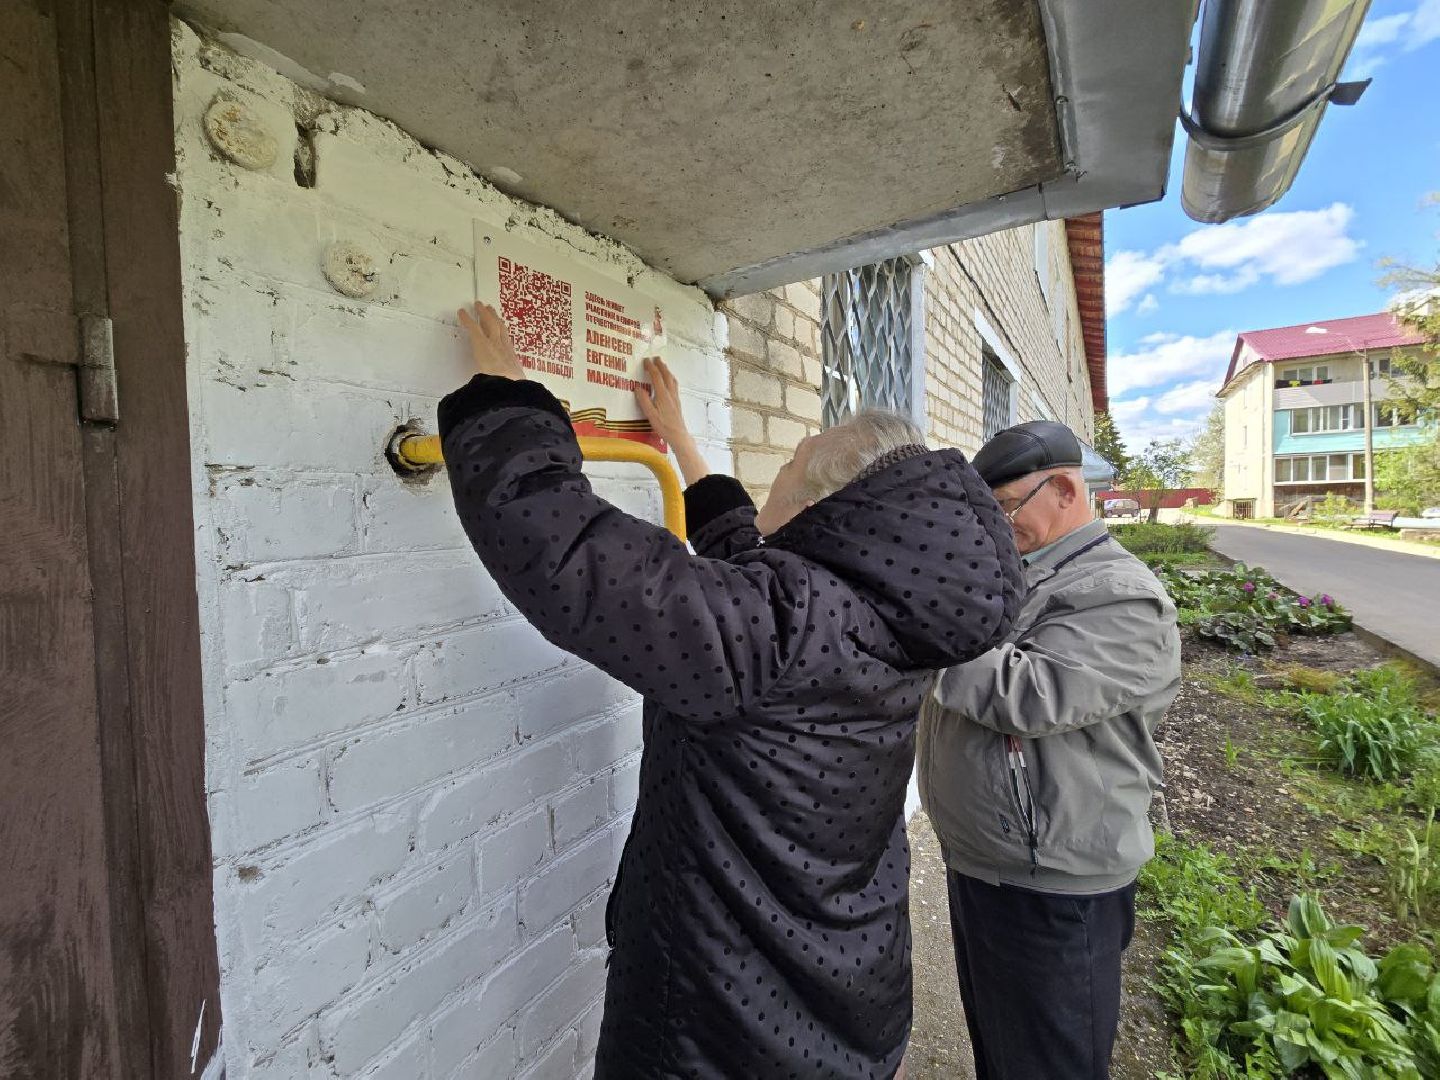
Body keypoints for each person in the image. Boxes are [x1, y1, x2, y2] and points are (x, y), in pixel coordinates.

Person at [439, 302, 1025, 1079]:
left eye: (788, 466)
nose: (774, 476)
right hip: (847, 991)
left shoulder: (779, 629)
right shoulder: (877, 613)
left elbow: (565, 550)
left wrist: (504, 395)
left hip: (722, 1033)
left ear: (825, 509)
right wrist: (681, 441)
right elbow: (743, 551)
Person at [917, 420, 1181, 1080]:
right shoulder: (1029, 571)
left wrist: (917, 625)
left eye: (1006, 508)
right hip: (991, 859)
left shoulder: (1120, 591)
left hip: (1055, 885)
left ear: (1064, 488)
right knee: (1003, 1048)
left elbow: (1030, 694)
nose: (996, 526)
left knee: (1046, 1064)